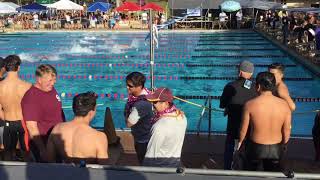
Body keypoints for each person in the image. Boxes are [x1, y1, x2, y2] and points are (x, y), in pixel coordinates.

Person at [238, 72, 291, 171]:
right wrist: (284, 145)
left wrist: (240, 143)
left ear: (258, 86)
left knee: (252, 175)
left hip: (255, 149)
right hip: (276, 148)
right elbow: (287, 129)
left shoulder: (249, 104)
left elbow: (243, 129)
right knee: (274, 176)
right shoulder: (284, 105)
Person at [47, 92, 108, 164]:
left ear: (73, 108)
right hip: (86, 174)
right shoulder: (99, 137)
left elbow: (49, 160)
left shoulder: (57, 129)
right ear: (91, 112)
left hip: (63, 173)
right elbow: (104, 168)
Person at [21, 64, 65, 162]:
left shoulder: (50, 89)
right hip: (44, 144)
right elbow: (31, 127)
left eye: (54, 80)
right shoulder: (32, 97)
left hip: (56, 142)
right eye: (50, 80)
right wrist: (43, 150)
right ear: (39, 79)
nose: (53, 83)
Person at [220, 60, 258, 170]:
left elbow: (222, 104)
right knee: (248, 153)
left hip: (233, 127)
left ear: (239, 72)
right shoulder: (257, 88)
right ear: (251, 73)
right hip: (250, 129)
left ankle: (227, 171)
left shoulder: (230, 86)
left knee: (229, 151)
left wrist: (228, 106)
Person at [143, 87, 187, 167]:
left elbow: (150, 157)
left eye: (155, 102)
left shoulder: (159, 126)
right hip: (175, 164)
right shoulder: (182, 117)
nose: (152, 105)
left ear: (166, 103)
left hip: (161, 168)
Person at [0, 55, 31, 161]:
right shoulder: (27, 86)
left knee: (7, 153)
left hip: (8, 123)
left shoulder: (0, 86)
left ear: (5, 67)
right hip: (23, 124)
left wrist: (8, 120)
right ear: (18, 67)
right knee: (26, 152)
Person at [125, 72, 153, 165]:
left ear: (139, 86)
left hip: (143, 139)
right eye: (127, 85)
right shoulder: (146, 93)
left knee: (144, 163)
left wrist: (126, 112)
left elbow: (129, 123)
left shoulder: (140, 104)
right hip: (145, 134)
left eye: (130, 86)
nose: (127, 87)